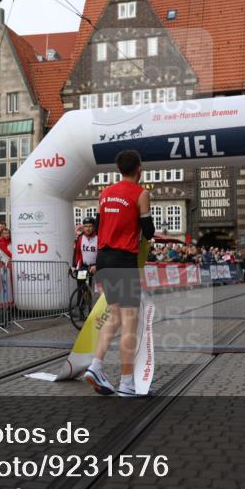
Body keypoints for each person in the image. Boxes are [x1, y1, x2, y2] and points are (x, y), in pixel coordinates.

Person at [84, 150, 155, 397]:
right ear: (139, 168)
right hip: (124, 260)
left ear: (119, 170)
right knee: (129, 323)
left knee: (114, 317)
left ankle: (96, 366)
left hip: (103, 260)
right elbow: (148, 231)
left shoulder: (105, 193)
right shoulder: (141, 193)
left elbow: (105, 224)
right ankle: (126, 383)